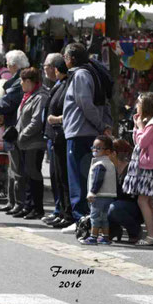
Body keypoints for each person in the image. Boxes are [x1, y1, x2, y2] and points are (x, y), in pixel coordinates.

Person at [61, 43, 112, 233]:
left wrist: (101, 126)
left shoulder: (81, 75)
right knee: (84, 176)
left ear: (71, 59)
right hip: (85, 131)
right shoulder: (90, 72)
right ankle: (86, 217)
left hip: (80, 132)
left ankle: (81, 218)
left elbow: (85, 104)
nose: (64, 61)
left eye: (65, 57)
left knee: (79, 178)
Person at [122, 93, 153, 246]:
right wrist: (138, 127)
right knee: (148, 201)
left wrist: (140, 127)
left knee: (143, 200)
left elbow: (142, 143)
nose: (137, 106)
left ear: (145, 107)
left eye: (139, 104)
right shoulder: (151, 123)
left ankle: (150, 235)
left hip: (149, 166)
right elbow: (137, 140)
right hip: (150, 164)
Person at [0, 50, 29, 215]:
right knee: (12, 168)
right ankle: (11, 201)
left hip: (15, 128)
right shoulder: (15, 79)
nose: (6, 65)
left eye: (8, 62)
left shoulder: (19, 81)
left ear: (14, 65)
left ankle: (17, 203)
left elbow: (9, 100)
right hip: (10, 126)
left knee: (17, 169)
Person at [42, 53, 74, 228]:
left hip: (60, 135)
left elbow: (67, 109)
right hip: (53, 136)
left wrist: (56, 119)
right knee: (55, 176)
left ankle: (67, 213)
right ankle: (60, 210)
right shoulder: (58, 85)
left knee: (63, 176)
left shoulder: (67, 84)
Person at [14, 67, 48, 219]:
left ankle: (37, 208)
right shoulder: (28, 95)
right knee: (27, 176)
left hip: (33, 143)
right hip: (24, 143)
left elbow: (36, 122)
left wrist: (22, 135)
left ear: (29, 81)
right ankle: (28, 206)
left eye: (22, 81)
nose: (20, 83)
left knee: (33, 175)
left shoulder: (40, 97)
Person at [79, 135, 116, 245]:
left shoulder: (99, 164)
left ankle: (93, 237)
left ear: (108, 151)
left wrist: (92, 192)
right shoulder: (110, 163)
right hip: (109, 195)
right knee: (104, 218)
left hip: (99, 195)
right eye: (93, 147)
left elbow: (97, 180)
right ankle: (105, 237)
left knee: (95, 217)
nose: (95, 150)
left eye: (98, 148)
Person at [108, 139, 143, 243]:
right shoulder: (109, 168)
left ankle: (134, 230)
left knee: (113, 208)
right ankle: (113, 229)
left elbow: (133, 193)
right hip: (117, 203)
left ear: (114, 153)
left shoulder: (131, 168)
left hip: (132, 205)